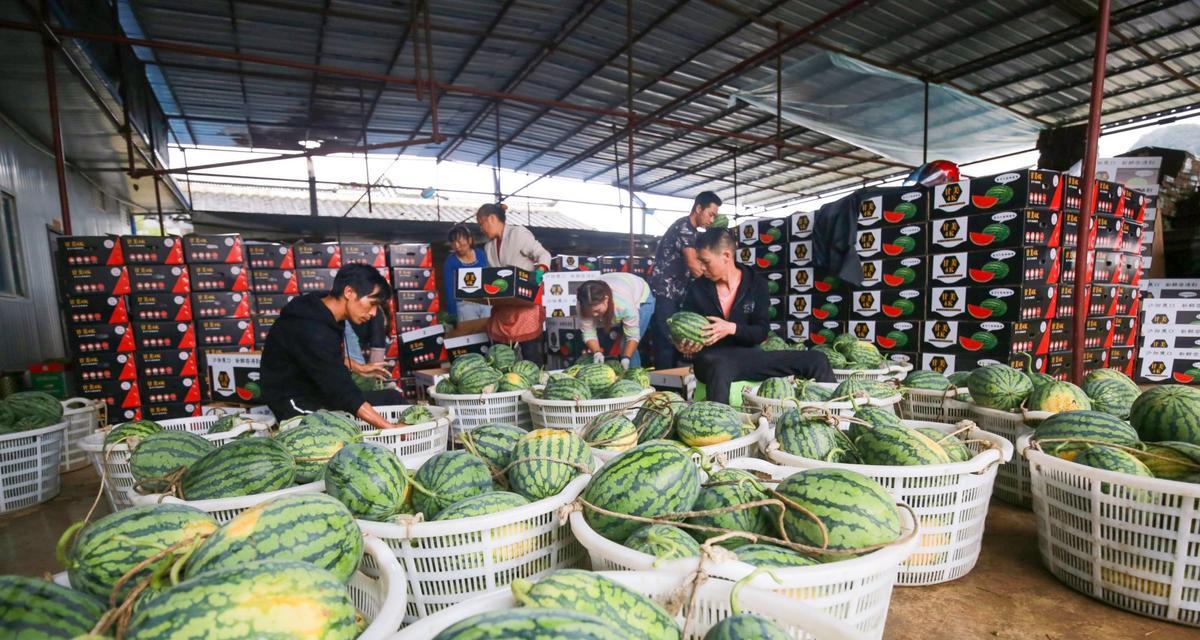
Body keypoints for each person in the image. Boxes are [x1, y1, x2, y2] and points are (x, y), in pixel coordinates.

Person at [678, 228, 834, 403]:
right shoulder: (696, 289)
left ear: (727, 256)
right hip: (712, 358)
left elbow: (761, 332)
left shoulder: (756, 284)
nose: (701, 267)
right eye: (700, 261)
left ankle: (835, 417)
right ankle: (721, 425)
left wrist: (731, 328)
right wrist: (685, 346)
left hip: (751, 356)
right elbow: (685, 329)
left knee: (817, 359)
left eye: (706, 262)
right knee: (720, 367)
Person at [260, 264, 404, 427]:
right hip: (295, 403)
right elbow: (342, 390)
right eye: (372, 304)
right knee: (345, 429)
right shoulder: (310, 328)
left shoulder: (326, 313)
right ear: (349, 292)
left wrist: (357, 367)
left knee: (392, 398)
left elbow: (323, 357)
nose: (373, 313)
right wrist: (390, 428)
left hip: (318, 392)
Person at [649, 191, 722, 369]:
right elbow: (694, 265)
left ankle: (676, 382)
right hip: (665, 292)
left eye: (715, 216)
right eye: (710, 214)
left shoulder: (694, 233)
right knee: (667, 342)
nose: (711, 220)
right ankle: (664, 385)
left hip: (678, 294)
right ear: (698, 208)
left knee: (680, 339)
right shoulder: (684, 228)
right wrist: (715, 288)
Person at [476, 203, 551, 364]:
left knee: (530, 354)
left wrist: (540, 271)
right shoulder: (488, 248)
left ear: (491, 218)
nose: (481, 228)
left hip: (526, 305)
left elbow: (543, 254)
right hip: (504, 307)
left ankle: (536, 385)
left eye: (481, 223)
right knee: (500, 357)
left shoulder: (518, 233)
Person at [576, 273, 656, 369]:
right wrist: (597, 352)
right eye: (590, 312)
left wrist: (626, 358)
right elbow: (589, 333)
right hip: (621, 286)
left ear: (606, 299)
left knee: (625, 344)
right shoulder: (583, 304)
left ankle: (633, 378)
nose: (594, 315)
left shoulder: (623, 305)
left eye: (597, 311)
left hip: (642, 296)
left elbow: (633, 336)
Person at [442, 225, 491, 323]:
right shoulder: (450, 262)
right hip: (464, 305)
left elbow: (489, 277)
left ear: (469, 240)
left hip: (485, 302)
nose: (457, 246)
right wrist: (453, 316)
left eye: (460, 242)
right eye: (453, 243)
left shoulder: (481, 254)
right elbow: (449, 290)